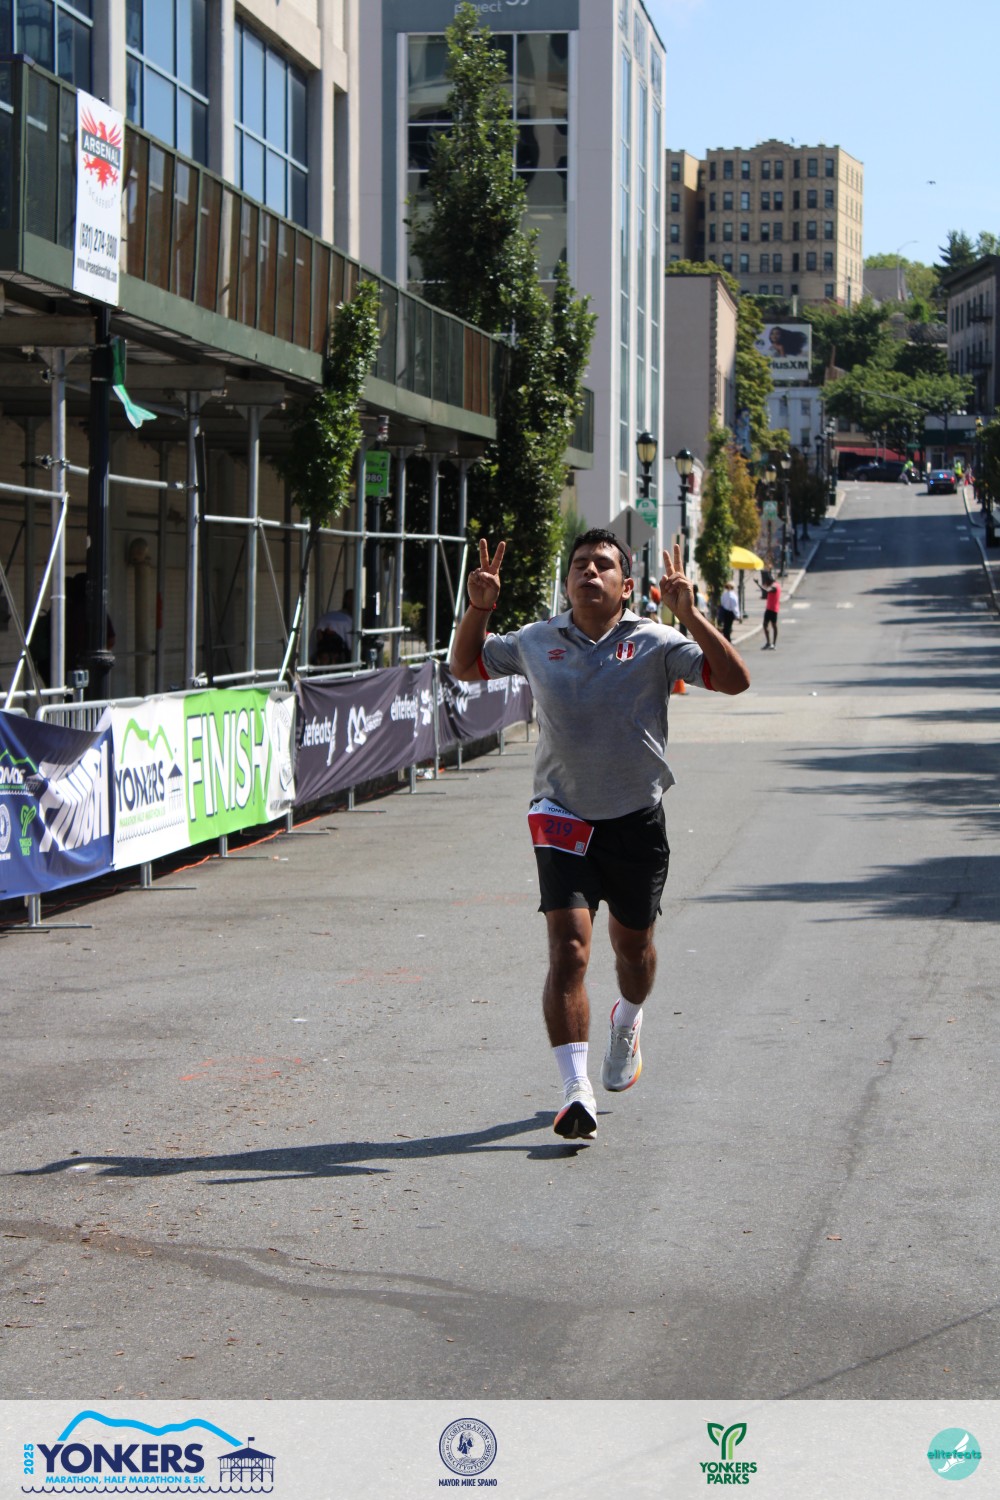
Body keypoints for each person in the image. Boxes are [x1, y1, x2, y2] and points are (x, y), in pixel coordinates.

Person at [450, 528, 750, 1140]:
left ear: (627, 585)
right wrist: (479, 609)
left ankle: (628, 1018)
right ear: (568, 582)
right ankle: (575, 1091)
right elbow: (465, 665)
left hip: (636, 819)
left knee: (633, 951)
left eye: (603, 565)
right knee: (569, 949)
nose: (589, 571)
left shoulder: (657, 641)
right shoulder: (535, 640)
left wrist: (691, 615)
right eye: (580, 564)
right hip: (561, 815)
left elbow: (734, 679)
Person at [757, 572, 781, 649]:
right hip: (769, 608)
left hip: (773, 609)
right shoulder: (775, 585)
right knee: (765, 625)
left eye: (767, 582)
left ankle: (773, 643)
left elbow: (767, 590)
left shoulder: (774, 586)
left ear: (770, 581)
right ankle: (768, 643)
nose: (766, 583)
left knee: (774, 626)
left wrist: (758, 584)